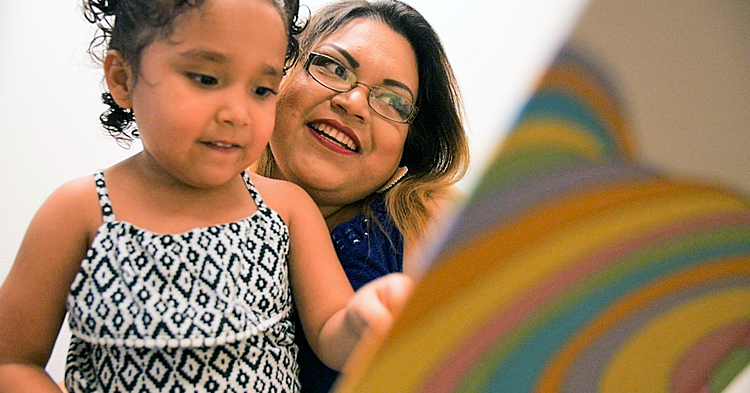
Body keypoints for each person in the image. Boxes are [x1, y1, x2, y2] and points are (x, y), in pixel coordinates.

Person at [0, 0, 413, 391]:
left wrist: (362, 320)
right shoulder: (78, 211)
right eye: (206, 79)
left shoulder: (286, 209)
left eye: (262, 90)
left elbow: (329, 332)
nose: (236, 112)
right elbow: (12, 361)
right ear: (123, 78)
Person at [254, 0, 470, 391]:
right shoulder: (208, 200)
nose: (353, 104)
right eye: (334, 68)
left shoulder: (432, 224)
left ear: (408, 144)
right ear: (281, 69)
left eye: (393, 101)